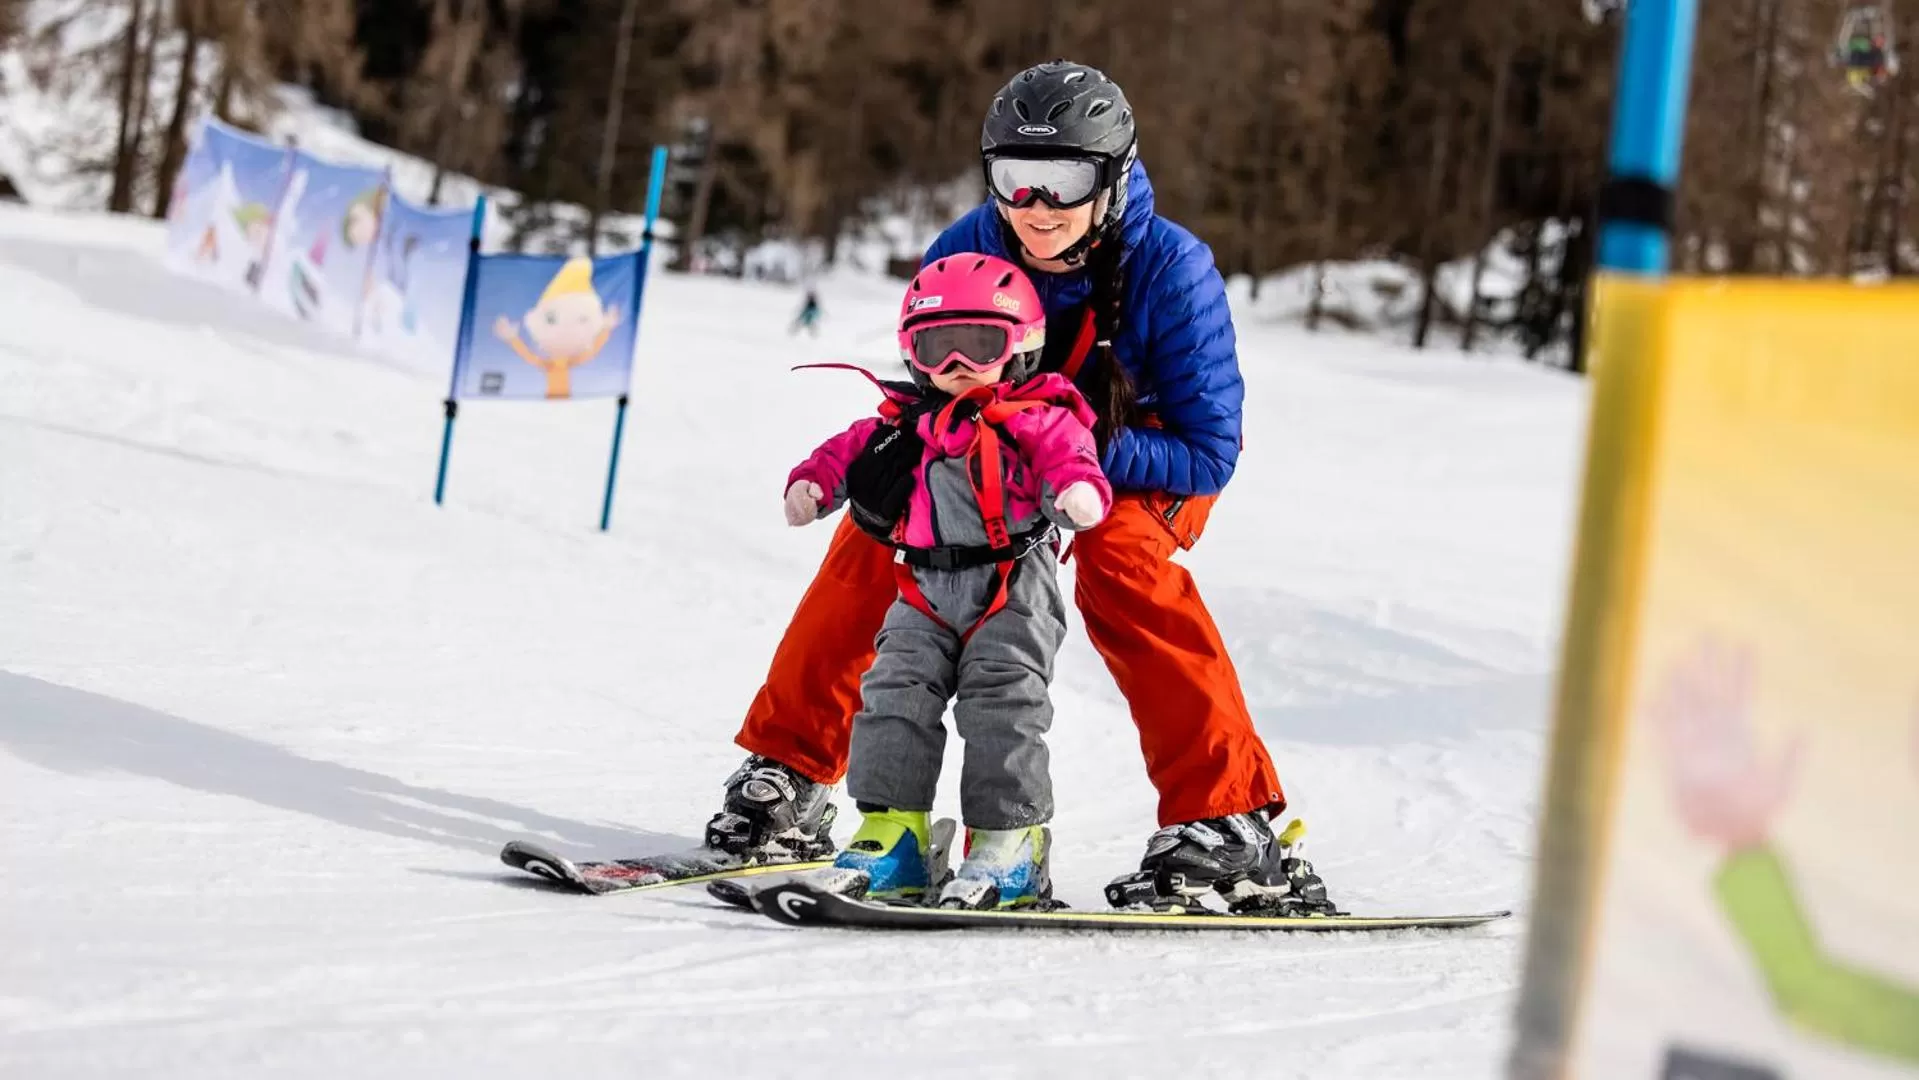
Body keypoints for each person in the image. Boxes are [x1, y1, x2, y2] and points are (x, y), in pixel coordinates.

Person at [708, 60, 1293, 906]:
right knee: (876, 535)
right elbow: (930, 379)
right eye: (1017, 178)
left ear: (1112, 178)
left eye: (1066, 182)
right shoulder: (966, 246)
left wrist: (1069, 447)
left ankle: (1224, 816)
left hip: (1142, 455)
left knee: (1121, 563)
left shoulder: (1172, 267)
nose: (1038, 207)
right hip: (992, 443)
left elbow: (1207, 453)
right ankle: (789, 772)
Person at [780, 254, 1111, 909]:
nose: (957, 363)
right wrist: (815, 483)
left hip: (1012, 588)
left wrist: (1076, 491)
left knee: (1003, 703)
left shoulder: (1038, 415)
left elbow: (1069, 456)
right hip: (924, 589)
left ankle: (1010, 842)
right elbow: (847, 449)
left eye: (980, 344)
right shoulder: (906, 422)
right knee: (892, 694)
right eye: (938, 347)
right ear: (913, 353)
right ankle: (894, 833)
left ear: (1021, 347)